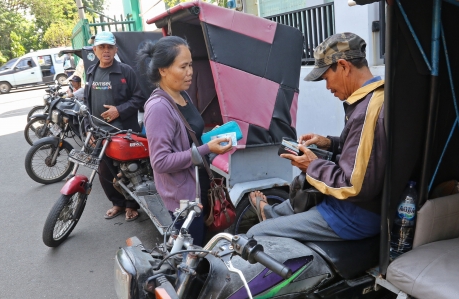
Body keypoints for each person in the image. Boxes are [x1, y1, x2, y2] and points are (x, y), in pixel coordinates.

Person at [248, 32, 386, 242]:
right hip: (356, 206)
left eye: (326, 78)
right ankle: (274, 213)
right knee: (303, 185)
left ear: (343, 66)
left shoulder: (368, 110)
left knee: (255, 234)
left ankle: (271, 216)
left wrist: (312, 165)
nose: (328, 87)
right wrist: (330, 143)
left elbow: (352, 186)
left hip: (353, 215)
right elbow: (367, 150)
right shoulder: (376, 97)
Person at [138, 36, 233, 246]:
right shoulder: (159, 108)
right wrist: (207, 148)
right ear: (163, 70)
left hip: (200, 187)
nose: (190, 72)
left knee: (203, 249)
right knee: (190, 257)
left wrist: (210, 138)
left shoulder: (182, 95)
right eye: (183, 66)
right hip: (184, 200)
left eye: (191, 65)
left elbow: (190, 137)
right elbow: (160, 161)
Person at [84, 31, 146, 221]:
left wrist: (118, 110)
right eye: (102, 47)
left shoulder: (126, 71)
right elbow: (87, 103)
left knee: (129, 172)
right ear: (95, 50)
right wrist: (89, 126)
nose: (106, 51)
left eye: (109, 47)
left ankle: (131, 206)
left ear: (115, 49)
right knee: (104, 172)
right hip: (99, 133)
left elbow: (139, 98)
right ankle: (117, 203)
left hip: (123, 132)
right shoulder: (91, 72)